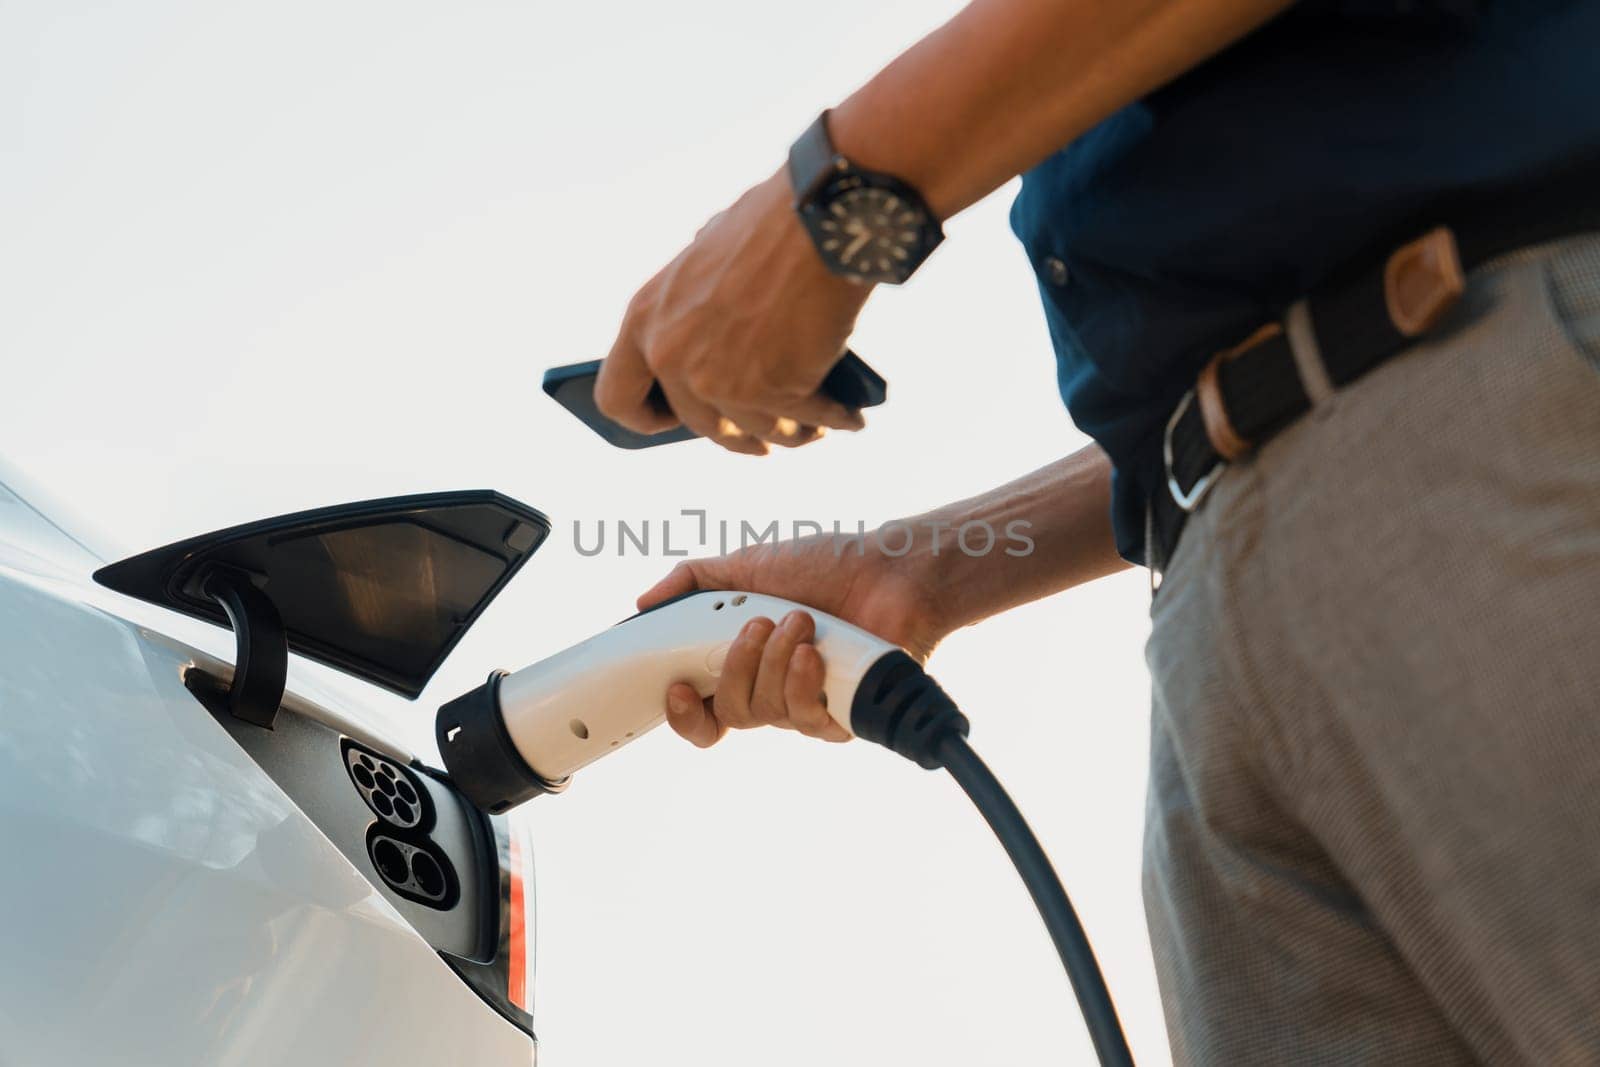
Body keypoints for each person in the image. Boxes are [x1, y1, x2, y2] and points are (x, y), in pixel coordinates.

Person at [594, 2, 1600, 1062]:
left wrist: (838, 201)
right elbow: (1260, 381)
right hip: (1226, 570)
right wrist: (925, 571)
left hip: (1489, 425)